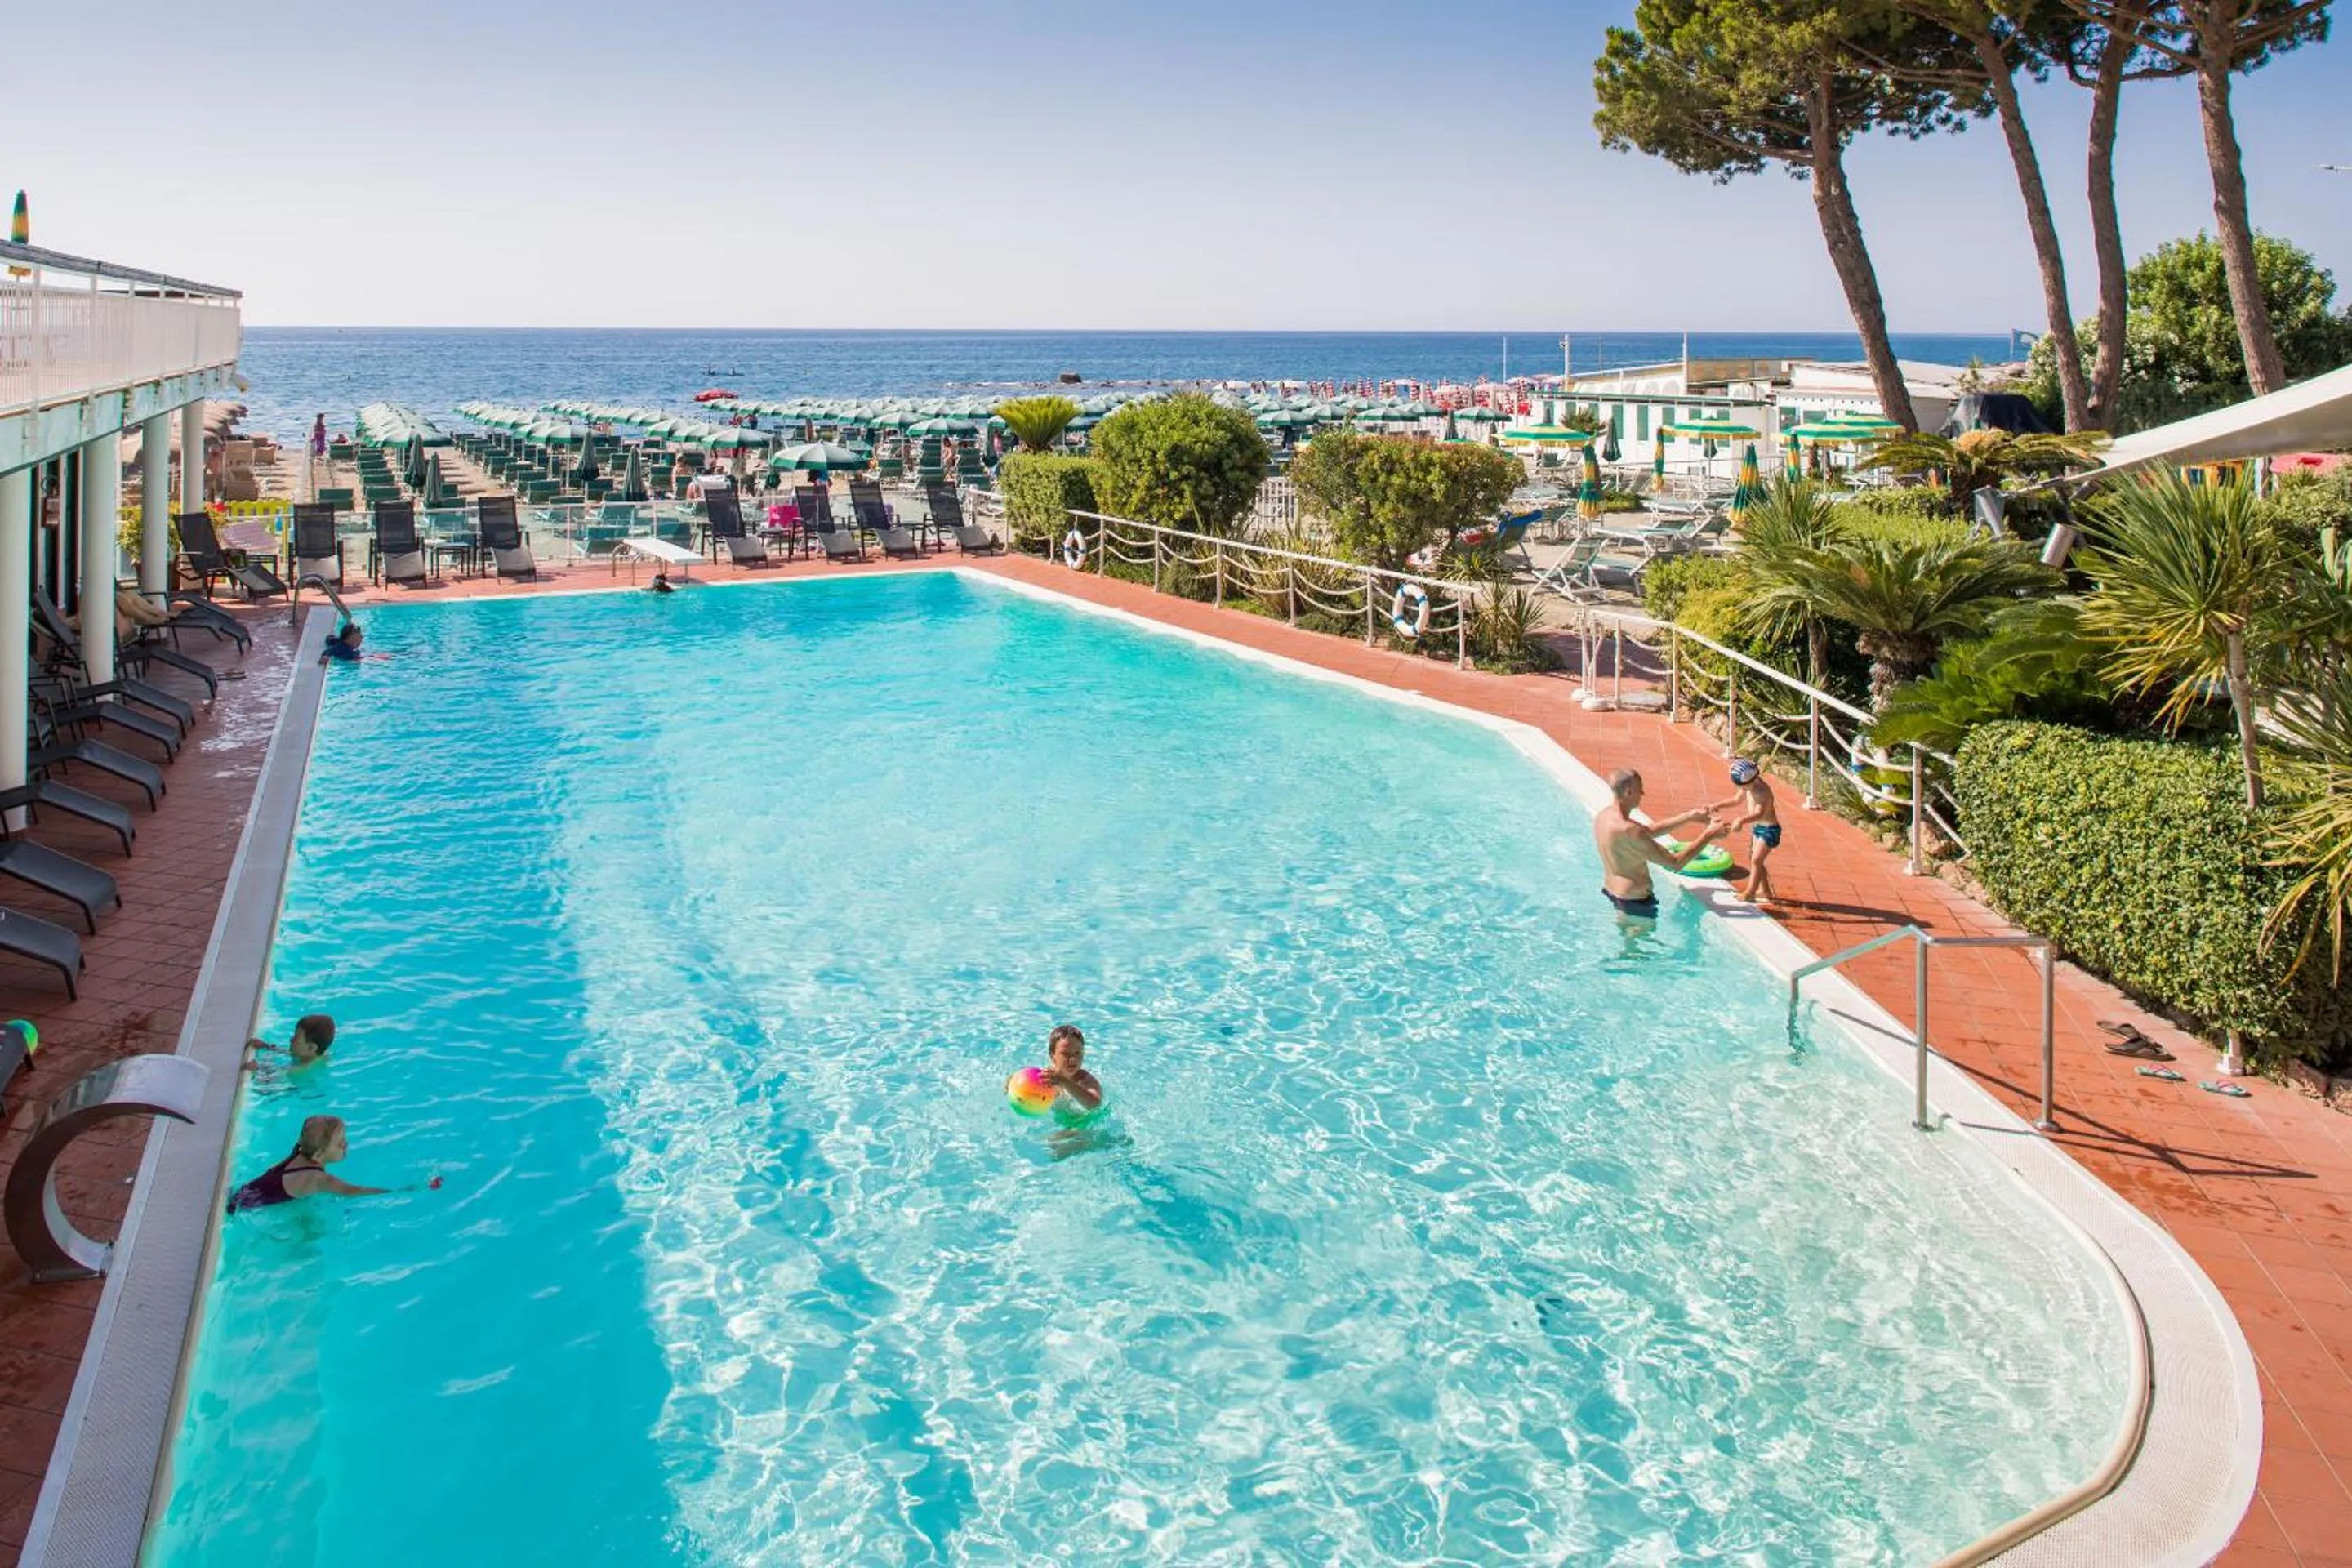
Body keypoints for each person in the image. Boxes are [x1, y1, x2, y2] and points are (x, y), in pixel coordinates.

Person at [1592, 767, 1726, 922]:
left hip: (1613, 891)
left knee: (1629, 942)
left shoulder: (1605, 816)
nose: (1643, 794)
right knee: (1637, 945)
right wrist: (1710, 834)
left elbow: (1647, 831)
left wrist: (1688, 817)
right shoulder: (1630, 830)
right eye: (1640, 790)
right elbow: (1675, 863)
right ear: (1629, 792)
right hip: (1635, 901)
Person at [226, 1116, 434, 1210]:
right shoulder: (318, 1179)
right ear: (318, 1156)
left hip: (243, 1194)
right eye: (339, 1144)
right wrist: (403, 1190)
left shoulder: (296, 1152)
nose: (346, 1145)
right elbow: (354, 1191)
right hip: (247, 1208)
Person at [1708, 758, 1783, 906]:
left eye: (1740, 786)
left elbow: (1759, 813)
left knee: (1756, 860)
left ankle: (1750, 893)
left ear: (1749, 781)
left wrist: (1741, 820)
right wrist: (1718, 805)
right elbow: (1736, 800)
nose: (1740, 788)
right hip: (1759, 828)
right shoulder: (1749, 785)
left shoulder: (1761, 791)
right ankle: (1765, 891)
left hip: (1770, 830)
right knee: (1755, 859)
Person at [1039, 1023, 1102, 1115]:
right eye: (1066, 1054)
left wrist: (1064, 1082)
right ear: (1052, 1056)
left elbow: (1095, 1106)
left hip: (1083, 1123)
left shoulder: (1086, 1080)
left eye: (1077, 1053)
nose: (1072, 1059)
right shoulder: (1047, 1076)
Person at [246, 1013, 336, 1070]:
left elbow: (280, 1073)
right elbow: (293, 1053)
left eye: (296, 1038)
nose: (291, 1039)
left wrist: (259, 1068)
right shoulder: (311, 1053)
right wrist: (267, 1046)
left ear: (311, 1047)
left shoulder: (304, 1068)